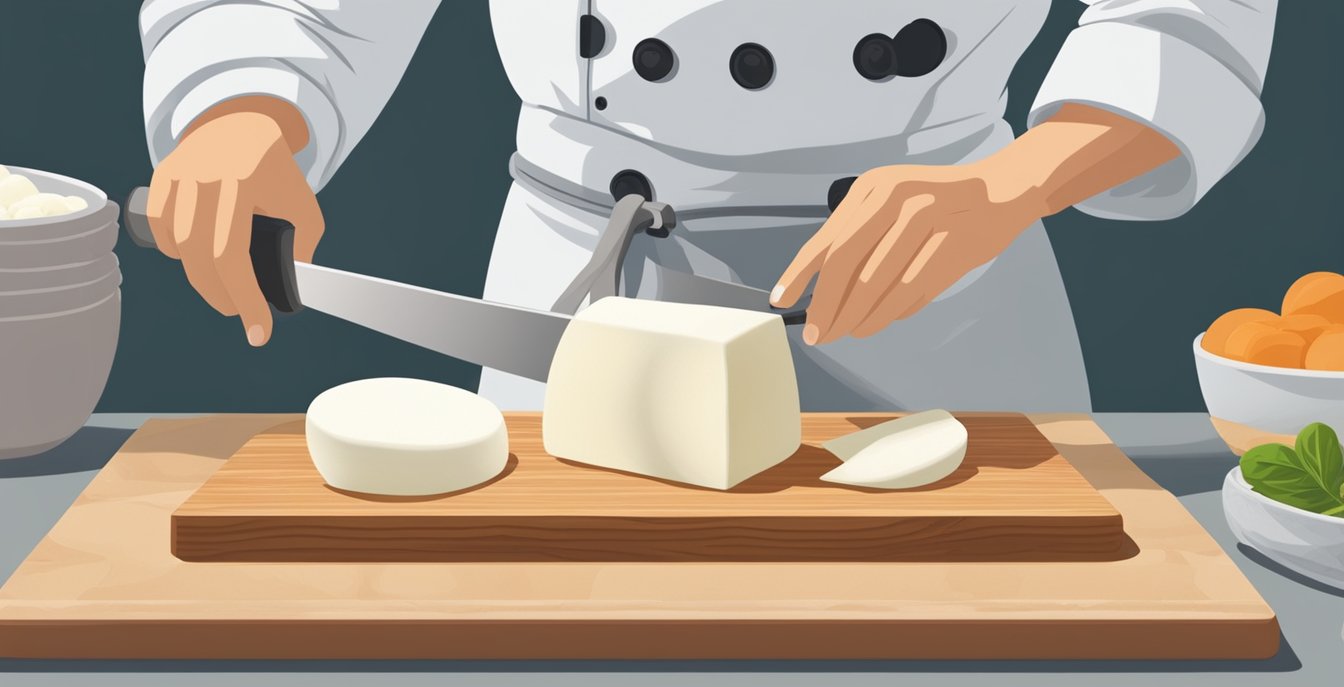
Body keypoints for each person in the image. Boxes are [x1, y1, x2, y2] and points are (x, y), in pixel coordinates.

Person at [139, 0, 1278, 411]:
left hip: (936, 275)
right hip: (585, 280)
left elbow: (1182, 18)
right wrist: (246, 113)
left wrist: (1012, 183)